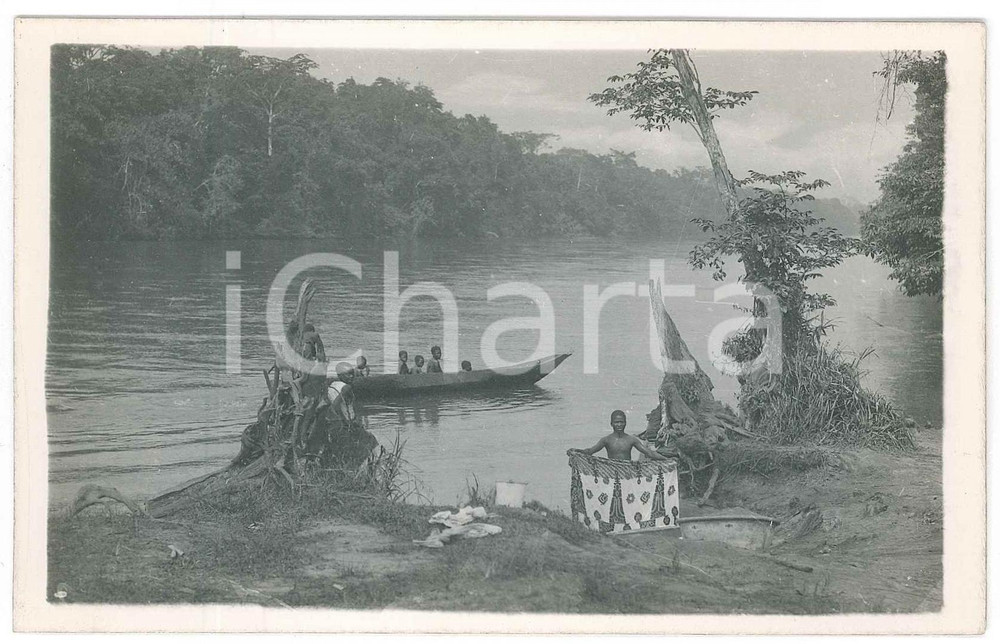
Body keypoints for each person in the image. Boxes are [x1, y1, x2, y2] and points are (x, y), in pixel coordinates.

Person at [568, 410, 669, 462]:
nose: (619, 425)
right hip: (612, 472)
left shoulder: (631, 439)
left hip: (627, 471)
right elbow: (590, 451)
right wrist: (576, 451)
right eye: (616, 422)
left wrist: (667, 460)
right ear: (611, 424)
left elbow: (649, 453)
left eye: (621, 422)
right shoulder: (606, 440)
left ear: (625, 423)